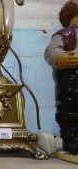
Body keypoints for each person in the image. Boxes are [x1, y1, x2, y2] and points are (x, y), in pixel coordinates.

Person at [45, 0, 78, 154]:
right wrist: (61, 58)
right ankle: (71, 140)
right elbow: (51, 51)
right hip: (70, 82)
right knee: (69, 113)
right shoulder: (67, 34)